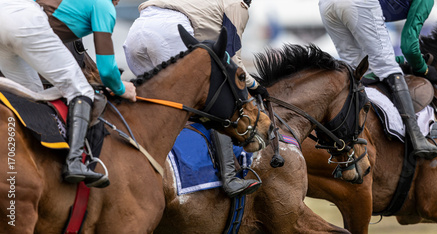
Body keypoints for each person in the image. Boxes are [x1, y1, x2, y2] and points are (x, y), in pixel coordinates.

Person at [123, 0, 264, 197]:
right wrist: (256, 85)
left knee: (152, 103)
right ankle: (230, 178)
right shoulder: (236, 4)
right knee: (214, 103)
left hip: (136, 32)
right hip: (169, 31)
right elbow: (233, 58)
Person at [0, 0, 133, 188]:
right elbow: (106, 70)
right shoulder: (104, 6)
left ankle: (27, 158)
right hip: (24, 18)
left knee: (32, 98)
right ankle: (75, 162)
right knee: (81, 90)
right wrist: (121, 88)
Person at [319, 0, 437, 159]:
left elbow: (374, 56)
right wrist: (424, 69)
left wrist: (399, 60)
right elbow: (409, 46)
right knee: (388, 68)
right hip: (357, 3)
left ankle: (343, 144)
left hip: (326, 5)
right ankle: (416, 137)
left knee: (358, 69)